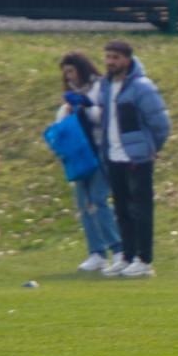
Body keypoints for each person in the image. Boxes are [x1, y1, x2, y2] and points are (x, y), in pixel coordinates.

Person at [98, 39, 172, 278]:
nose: (111, 62)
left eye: (116, 58)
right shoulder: (106, 85)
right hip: (113, 155)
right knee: (121, 209)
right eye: (108, 57)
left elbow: (160, 123)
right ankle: (127, 256)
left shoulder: (142, 87)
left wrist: (151, 148)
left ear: (127, 60)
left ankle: (144, 259)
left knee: (141, 209)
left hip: (137, 157)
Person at [56, 52, 122, 273]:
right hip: (79, 154)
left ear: (82, 69)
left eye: (71, 71)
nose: (69, 77)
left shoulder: (100, 87)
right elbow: (63, 122)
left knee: (99, 199)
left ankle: (118, 247)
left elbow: (105, 117)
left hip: (99, 151)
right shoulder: (70, 94)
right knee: (84, 203)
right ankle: (97, 252)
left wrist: (86, 107)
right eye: (65, 73)